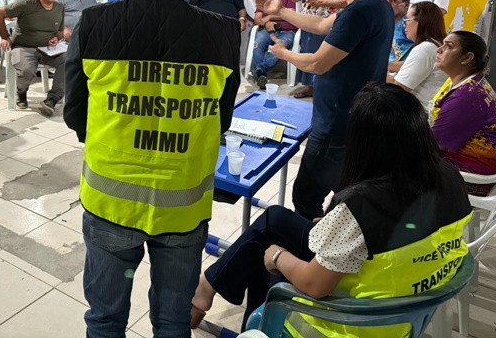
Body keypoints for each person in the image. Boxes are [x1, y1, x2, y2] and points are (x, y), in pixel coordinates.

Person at [64, 0, 241, 338]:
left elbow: (75, 114)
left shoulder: (94, 24)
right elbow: (221, 121)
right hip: (184, 207)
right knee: (172, 320)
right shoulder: (222, 33)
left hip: (110, 202)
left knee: (105, 319)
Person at [190, 83, 472, 333]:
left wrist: (276, 256)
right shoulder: (449, 176)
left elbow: (314, 286)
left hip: (356, 319)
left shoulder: (362, 204)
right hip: (409, 294)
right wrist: (335, 225)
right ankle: (207, 287)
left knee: (265, 261)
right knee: (273, 220)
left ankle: (245, 321)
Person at [258, 0, 393, 220]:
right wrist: (281, 11)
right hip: (358, 114)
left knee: (306, 196)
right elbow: (320, 25)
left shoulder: (359, 12)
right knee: (343, 189)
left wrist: (284, 54)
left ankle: (312, 244)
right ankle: (333, 236)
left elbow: (318, 64)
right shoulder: (375, 4)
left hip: (337, 120)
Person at [431, 31, 496, 192]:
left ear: (467, 58)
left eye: (448, 46)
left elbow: (432, 145)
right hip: (471, 164)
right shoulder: (469, 82)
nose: (439, 49)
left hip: (470, 176)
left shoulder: (467, 96)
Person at [0, 0, 65, 116]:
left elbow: (60, 31)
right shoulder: (26, 5)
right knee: (27, 70)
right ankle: (21, 92)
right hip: (23, 46)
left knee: (69, 61)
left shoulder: (59, 7)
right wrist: (5, 37)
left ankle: (52, 99)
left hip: (47, 48)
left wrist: (56, 37)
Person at [290, 0, 346, 99]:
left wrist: (323, 2)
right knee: (308, 53)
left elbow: (347, 1)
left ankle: (324, 88)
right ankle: (310, 87)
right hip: (309, 23)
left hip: (328, 25)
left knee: (325, 57)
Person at [386, 2, 446, 109]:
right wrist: (383, 65)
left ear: (421, 22)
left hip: (417, 112)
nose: (404, 25)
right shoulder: (435, 44)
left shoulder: (425, 48)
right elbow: (409, 66)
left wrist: (372, 69)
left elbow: (398, 88)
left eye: (407, 20)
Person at [250, 0, 297, 88]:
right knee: (257, 43)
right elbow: (257, 20)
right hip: (267, 31)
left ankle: (260, 71)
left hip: (287, 31)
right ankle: (261, 77)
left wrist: (269, 17)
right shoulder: (263, 1)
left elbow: (290, 14)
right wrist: (266, 23)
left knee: (280, 46)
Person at [384, 0, 414, 72]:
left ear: (406, 4)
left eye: (394, 1)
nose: (388, 5)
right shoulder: (383, 23)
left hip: (403, 71)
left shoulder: (410, 24)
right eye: (385, 2)